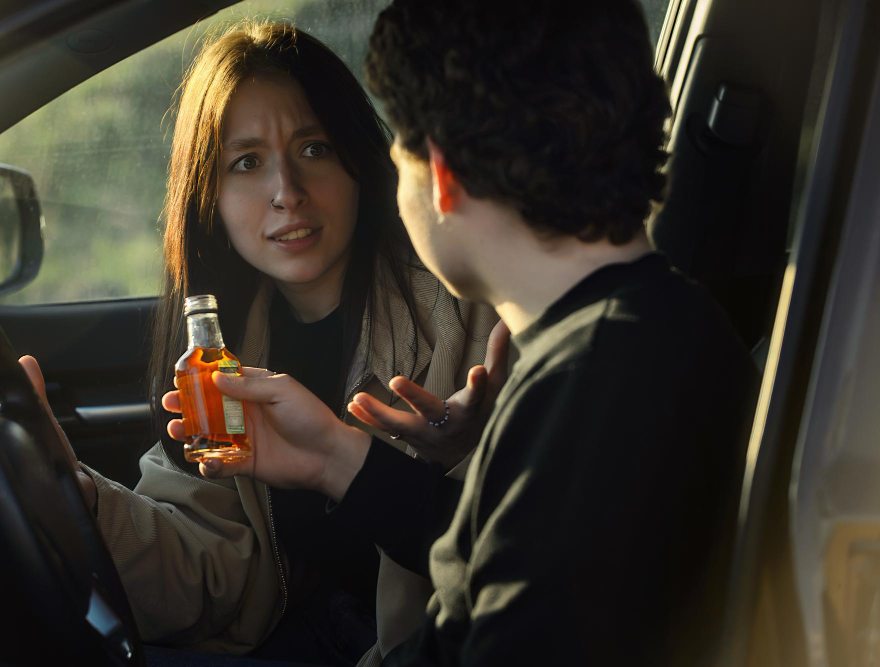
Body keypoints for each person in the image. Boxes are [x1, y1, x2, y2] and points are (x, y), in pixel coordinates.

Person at [172, 1, 760, 665]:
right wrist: (335, 457)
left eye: (398, 145)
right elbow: (520, 562)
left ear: (442, 175)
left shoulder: (593, 387)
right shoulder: (640, 340)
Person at [20, 19, 506, 667]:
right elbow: (214, 571)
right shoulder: (219, 349)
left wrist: (457, 451)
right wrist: (78, 498)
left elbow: (540, 556)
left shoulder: (464, 309)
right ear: (209, 197)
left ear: (357, 161)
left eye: (314, 148)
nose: (287, 193)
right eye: (246, 162)